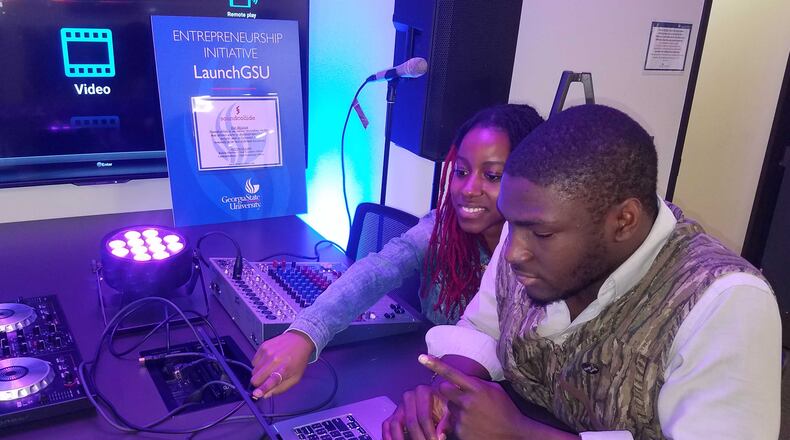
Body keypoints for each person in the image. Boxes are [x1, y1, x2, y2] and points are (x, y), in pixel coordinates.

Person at [383, 104, 781, 440]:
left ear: (623, 221)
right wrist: (448, 393)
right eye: (513, 225)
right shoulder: (525, 227)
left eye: (540, 233)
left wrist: (521, 434)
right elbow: (483, 328)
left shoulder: (725, 301)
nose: (513, 252)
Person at [249, 104, 545, 399]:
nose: (468, 189)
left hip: (501, 407)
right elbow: (379, 269)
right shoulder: (440, 230)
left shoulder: (547, 259)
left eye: (492, 176)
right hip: (427, 385)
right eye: (461, 171)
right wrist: (305, 333)